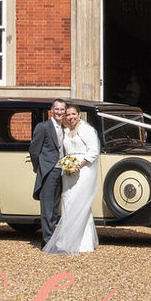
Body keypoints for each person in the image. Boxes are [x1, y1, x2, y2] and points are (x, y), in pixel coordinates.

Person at [42, 103, 101, 255]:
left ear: (79, 114)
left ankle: (83, 242)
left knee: (80, 203)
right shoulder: (66, 130)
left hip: (83, 170)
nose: (70, 117)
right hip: (68, 172)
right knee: (68, 202)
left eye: (73, 114)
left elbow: (94, 151)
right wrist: (68, 165)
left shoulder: (85, 129)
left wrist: (79, 165)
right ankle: (67, 240)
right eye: (68, 115)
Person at [29, 99, 69, 245]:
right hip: (49, 171)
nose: (59, 112)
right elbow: (34, 150)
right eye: (57, 109)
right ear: (52, 110)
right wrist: (40, 168)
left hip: (61, 172)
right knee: (47, 207)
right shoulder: (43, 127)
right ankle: (47, 241)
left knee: (54, 207)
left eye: (62, 109)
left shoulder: (64, 128)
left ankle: (52, 238)